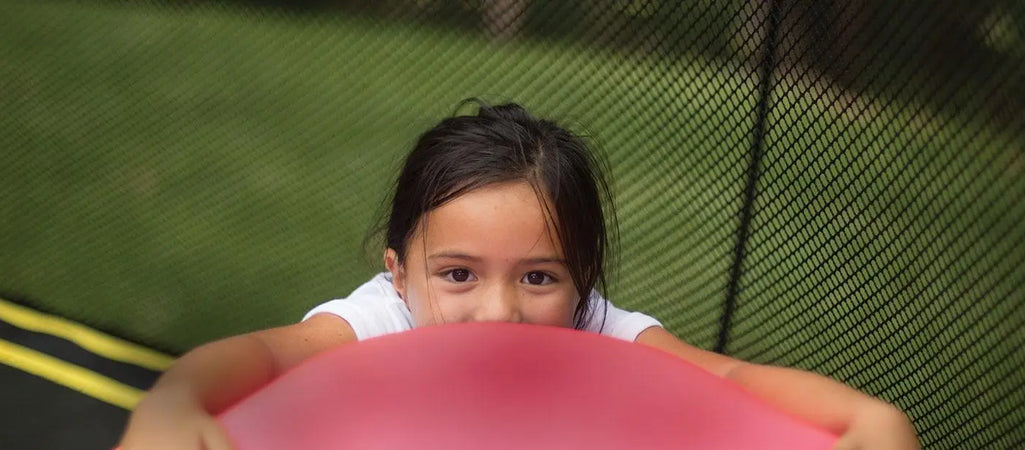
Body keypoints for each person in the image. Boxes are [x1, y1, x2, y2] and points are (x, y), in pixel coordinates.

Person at [120, 101, 920, 450]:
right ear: (399, 274)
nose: (497, 309)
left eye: (538, 278)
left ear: (583, 283)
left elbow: (732, 378)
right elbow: (265, 356)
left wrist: (869, 416)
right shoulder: (383, 319)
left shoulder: (600, 331)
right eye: (459, 274)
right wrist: (174, 400)